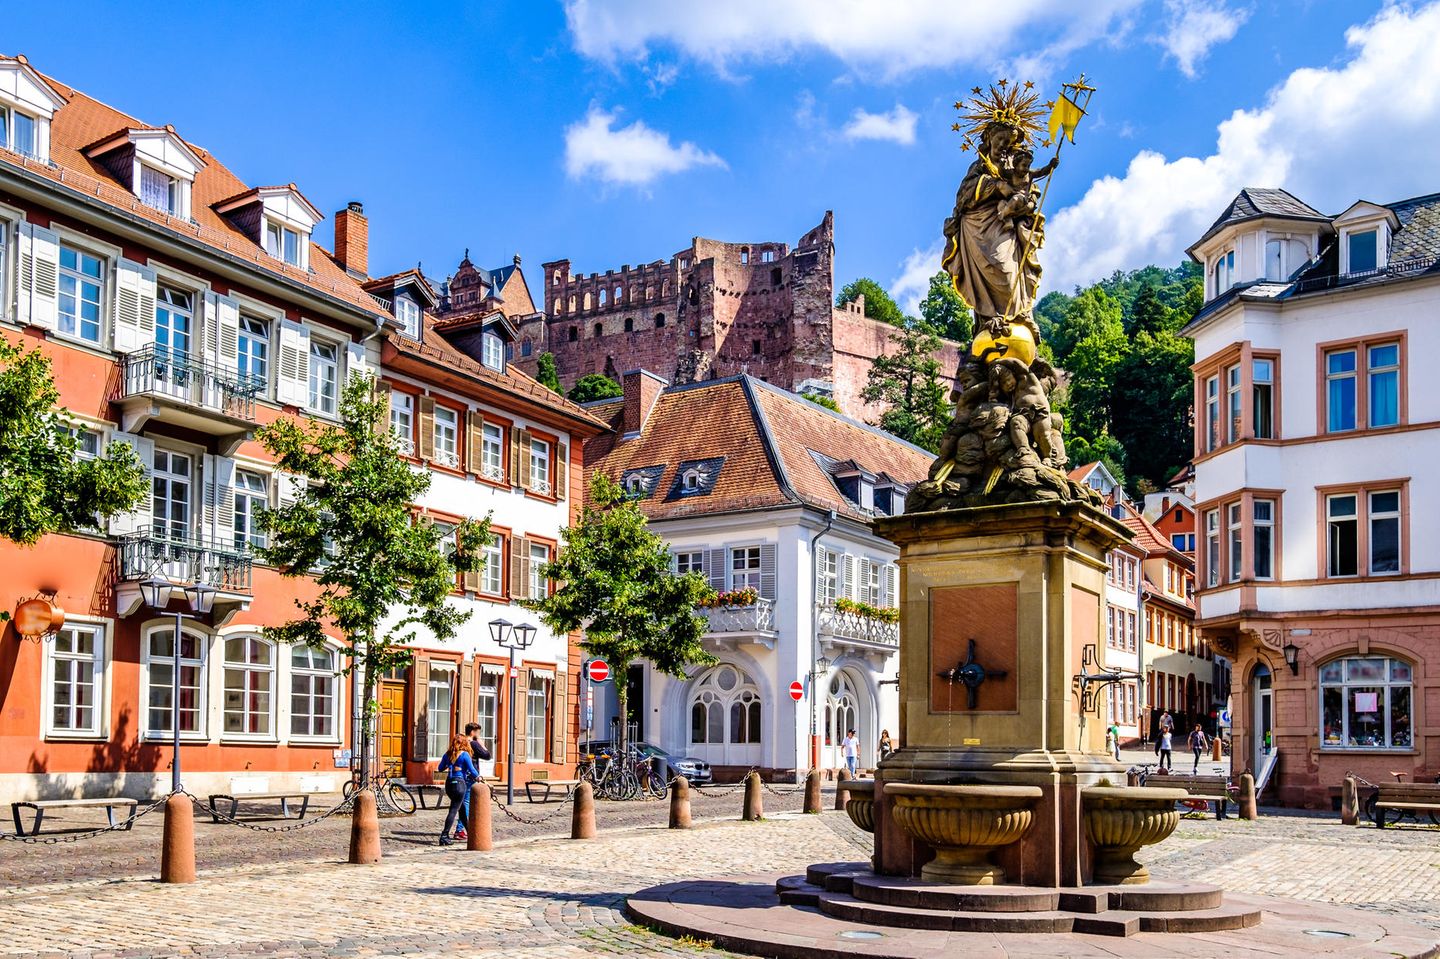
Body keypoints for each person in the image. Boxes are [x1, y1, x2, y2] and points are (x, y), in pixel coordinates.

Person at [437, 734, 478, 845]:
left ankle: (471, 834)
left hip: (449, 784)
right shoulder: (465, 755)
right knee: (454, 810)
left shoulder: (448, 754)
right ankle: (444, 836)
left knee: (462, 810)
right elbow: (472, 770)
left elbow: (440, 768)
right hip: (459, 784)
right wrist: (479, 778)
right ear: (465, 743)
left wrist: (450, 763)